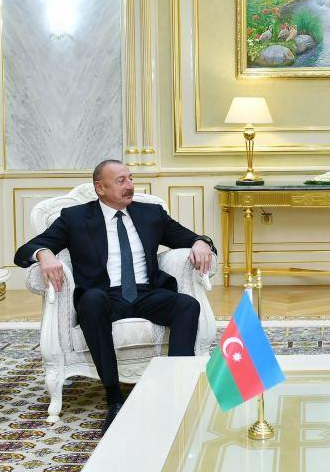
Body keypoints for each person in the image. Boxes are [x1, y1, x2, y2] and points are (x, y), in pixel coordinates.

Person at [14, 159, 217, 434]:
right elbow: (25, 251)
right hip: (104, 297)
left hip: (145, 293)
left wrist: (201, 243)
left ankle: (175, 389)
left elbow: (191, 237)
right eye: (121, 181)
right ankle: (114, 398)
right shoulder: (75, 218)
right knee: (92, 300)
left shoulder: (151, 214)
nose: (130, 185)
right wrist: (44, 254)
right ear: (101, 187)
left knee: (187, 305)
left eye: (130, 178)